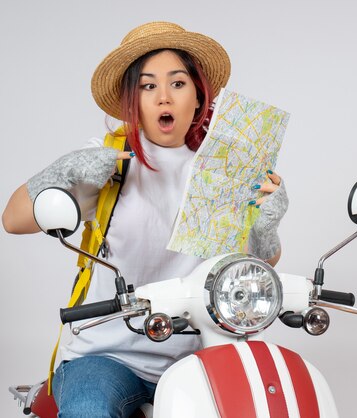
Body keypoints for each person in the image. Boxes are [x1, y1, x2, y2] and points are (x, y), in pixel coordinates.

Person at [2, 21, 288, 417]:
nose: (163, 98)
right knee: (90, 411)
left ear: (199, 96)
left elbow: (256, 265)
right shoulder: (108, 162)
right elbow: (13, 220)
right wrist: (64, 171)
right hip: (106, 355)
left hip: (200, 351)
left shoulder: (227, 169)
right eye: (148, 86)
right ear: (131, 101)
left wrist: (267, 225)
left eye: (177, 83)